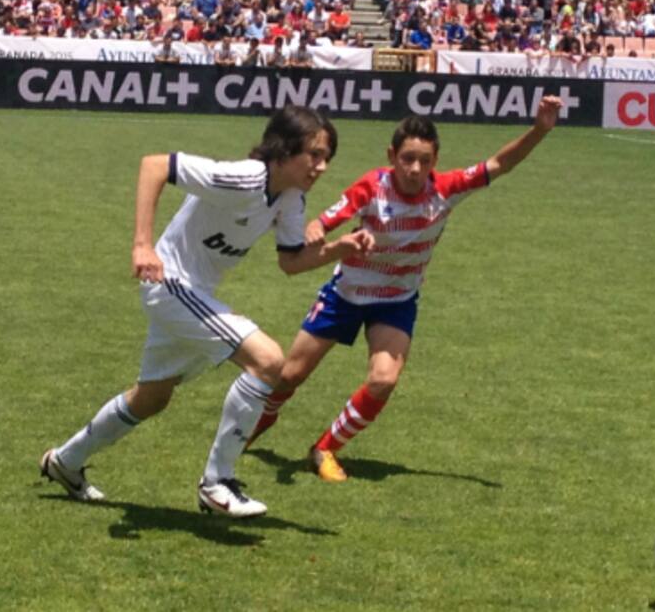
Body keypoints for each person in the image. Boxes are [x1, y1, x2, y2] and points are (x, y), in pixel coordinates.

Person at [40, 106, 375, 516]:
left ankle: (65, 460)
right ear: (284, 148)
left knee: (151, 399)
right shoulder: (244, 177)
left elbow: (290, 262)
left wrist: (340, 248)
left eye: (327, 157)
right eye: (314, 154)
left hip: (193, 292)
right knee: (268, 360)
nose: (322, 166)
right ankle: (217, 483)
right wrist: (142, 245)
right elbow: (154, 166)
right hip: (169, 283)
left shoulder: (290, 198)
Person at [245, 97, 566, 481]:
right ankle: (257, 422)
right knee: (290, 375)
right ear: (392, 156)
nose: (415, 169)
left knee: (384, 378)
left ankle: (325, 448)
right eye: (407, 159)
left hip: (395, 301)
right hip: (346, 294)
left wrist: (540, 130)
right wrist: (315, 229)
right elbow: (326, 220)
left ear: (435, 161)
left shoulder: (446, 188)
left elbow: (500, 164)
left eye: (424, 161)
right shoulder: (372, 186)